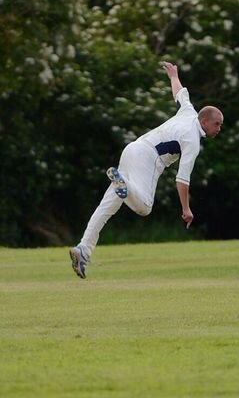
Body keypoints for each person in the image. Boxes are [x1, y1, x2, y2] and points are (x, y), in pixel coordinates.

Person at [70, 61, 223, 279]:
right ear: (205, 121)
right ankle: (125, 185)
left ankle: (82, 250)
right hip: (148, 158)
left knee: (107, 207)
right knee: (144, 207)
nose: (219, 128)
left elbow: (179, 93)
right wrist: (186, 209)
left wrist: (173, 75)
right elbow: (182, 180)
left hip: (132, 148)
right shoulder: (193, 140)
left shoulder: (189, 111)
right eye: (217, 124)